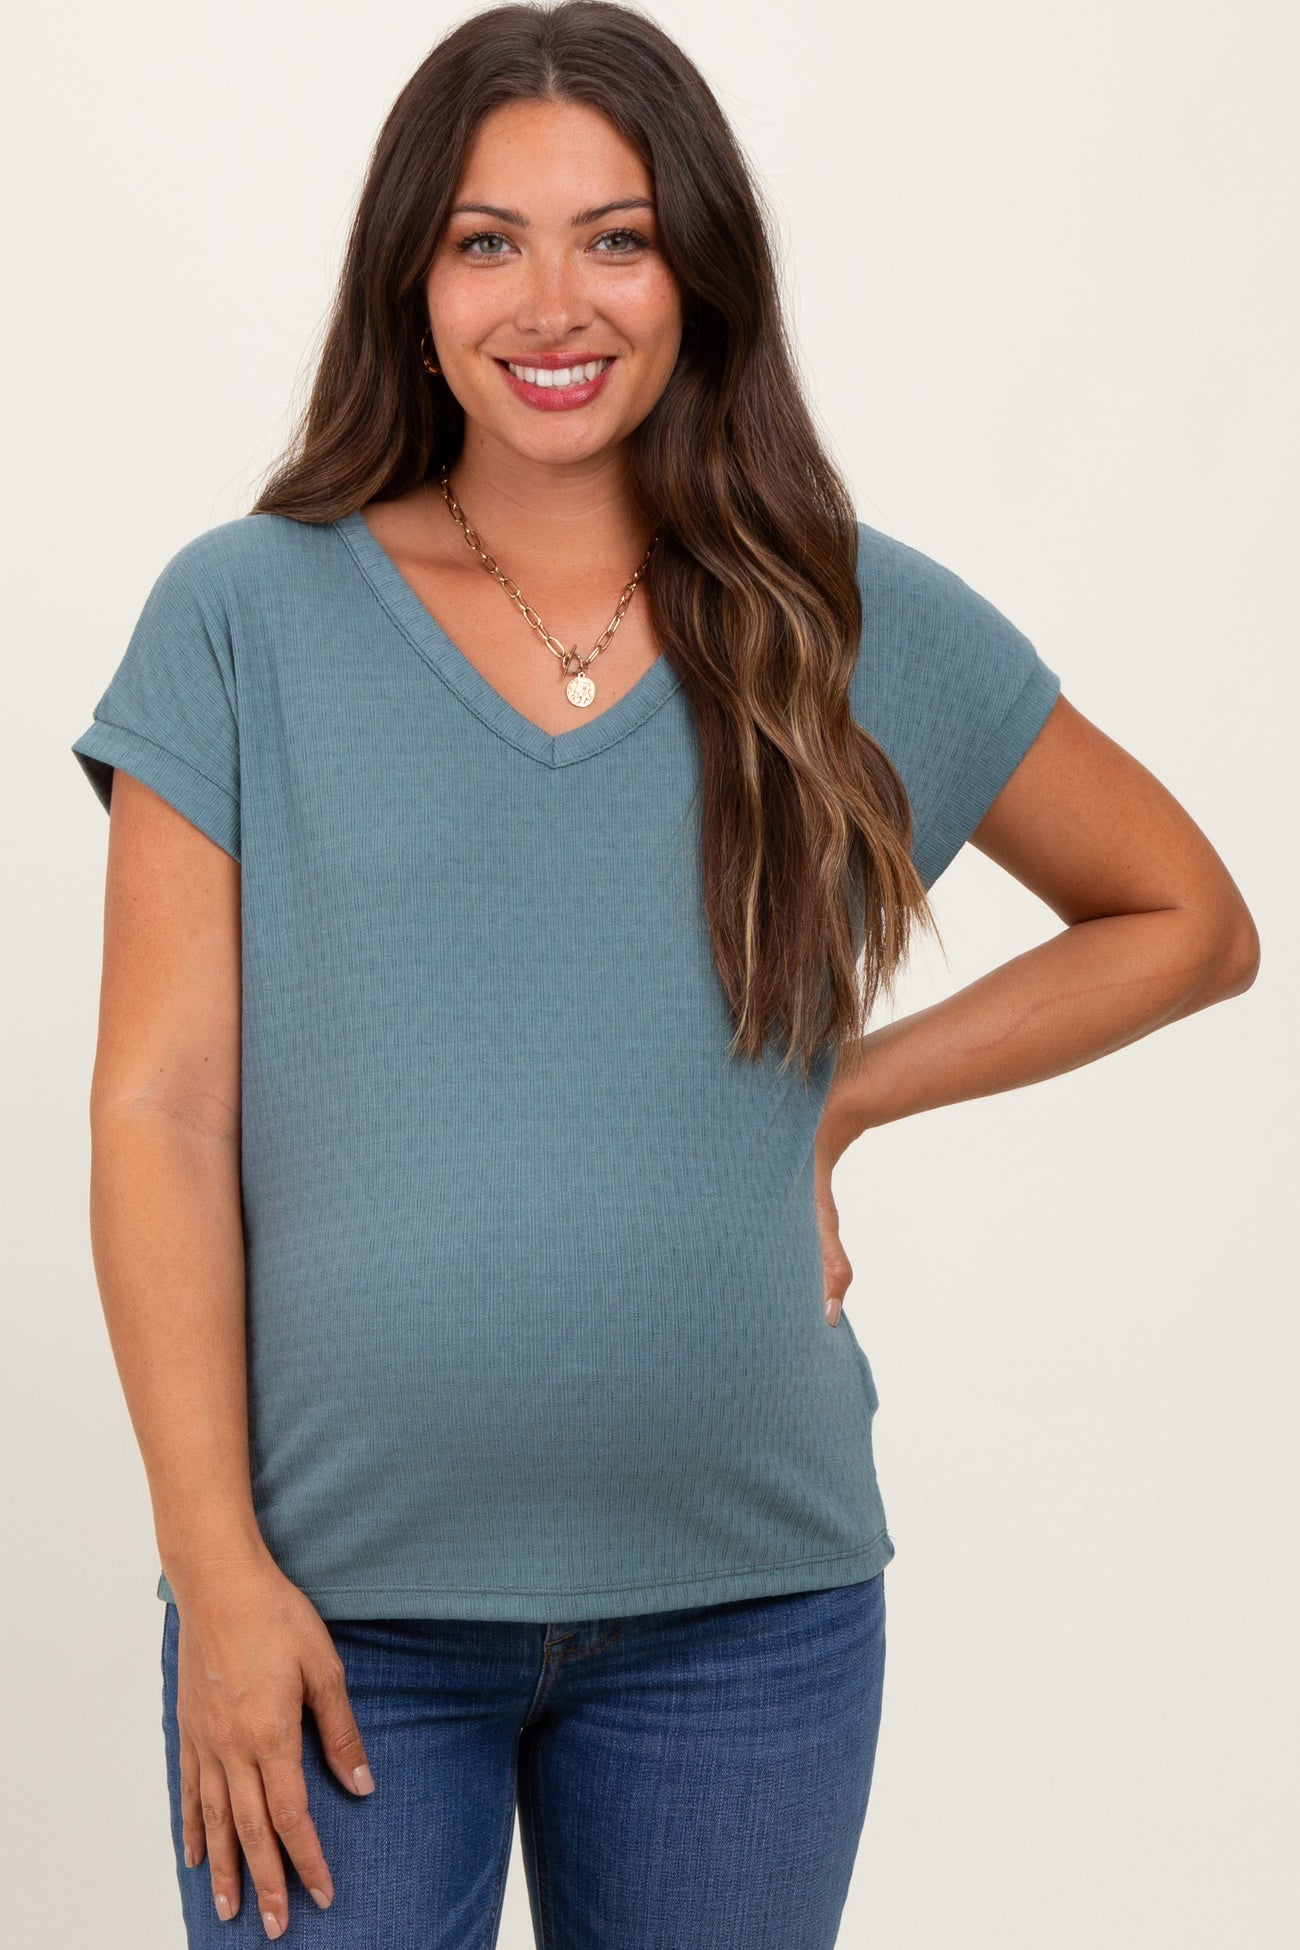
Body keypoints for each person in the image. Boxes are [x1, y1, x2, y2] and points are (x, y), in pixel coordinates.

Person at [68, 4, 1260, 1946]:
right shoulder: (244, 615)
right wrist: (214, 1569)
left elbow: (1187, 919)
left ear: (696, 270)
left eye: (614, 237)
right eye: (487, 240)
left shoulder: (833, 612)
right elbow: (160, 1107)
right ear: (410, 283)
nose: (554, 302)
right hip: (334, 1611)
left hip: (747, 1615)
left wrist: (845, 1092)